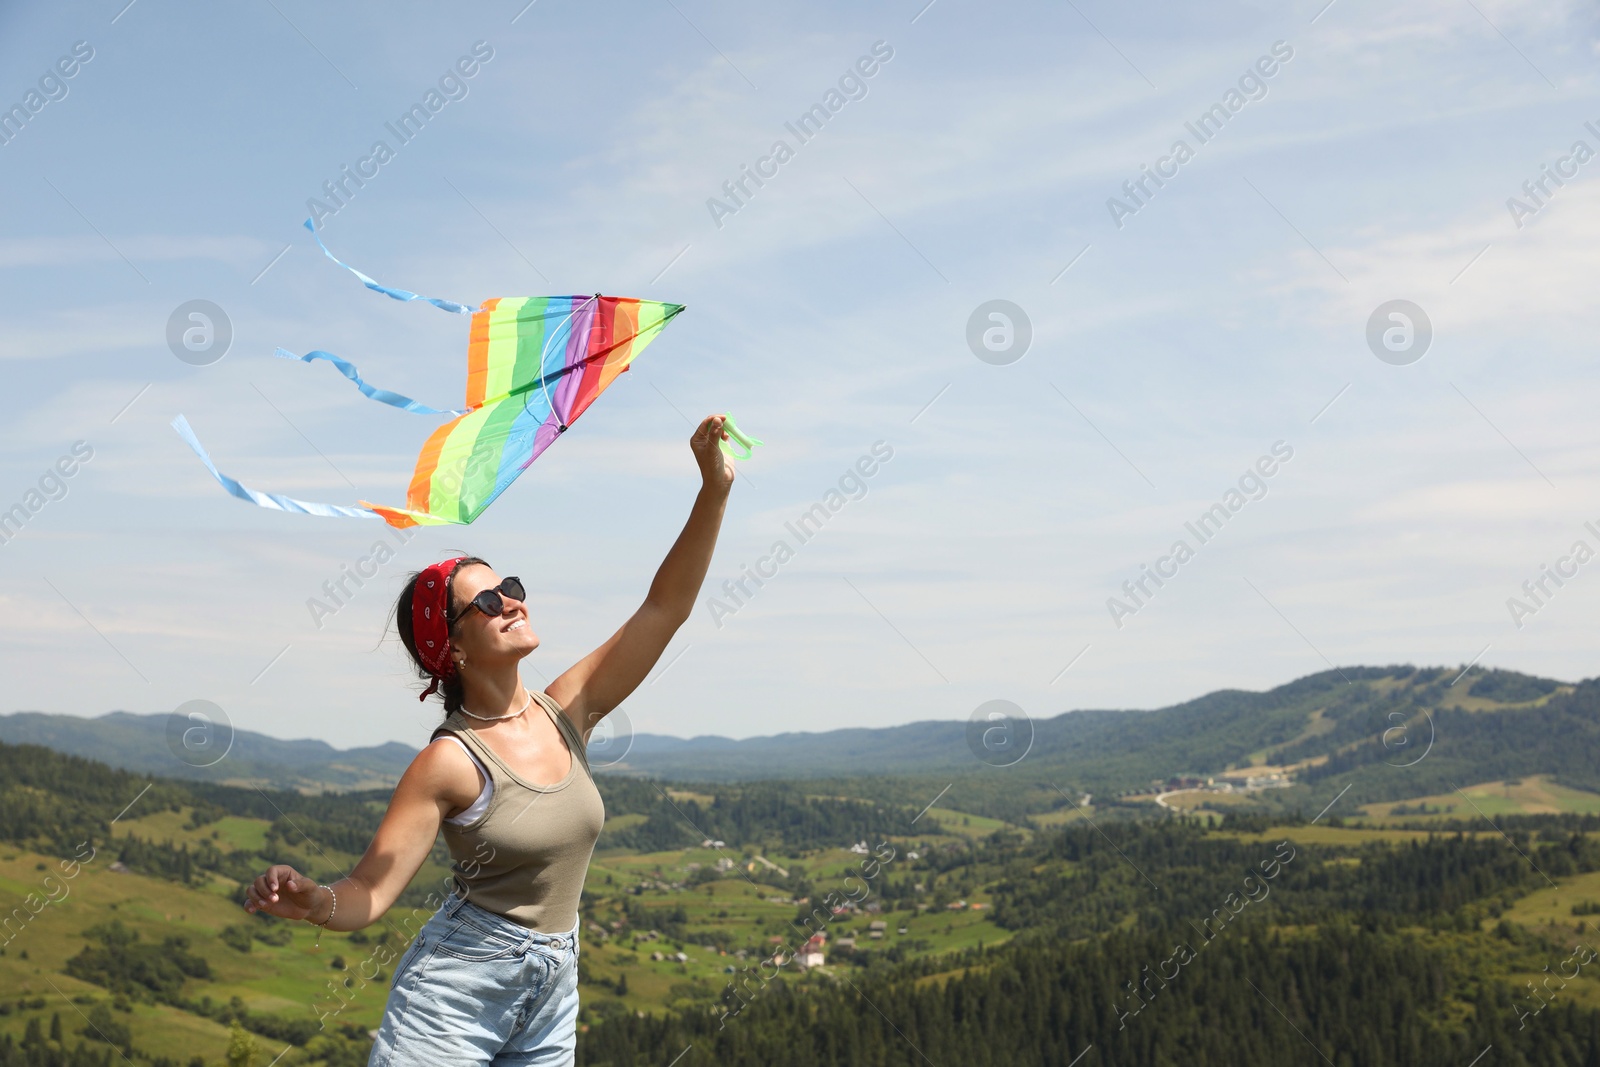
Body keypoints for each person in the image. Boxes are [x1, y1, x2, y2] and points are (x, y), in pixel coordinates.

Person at [243, 414, 736, 1065]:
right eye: (487, 602)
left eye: (510, 588)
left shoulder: (570, 708)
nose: (511, 602)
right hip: (456, 993)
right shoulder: (448, 762)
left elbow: (664, 607)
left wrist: (714, 490)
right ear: (450, 648)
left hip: (553, 992)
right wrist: (315, 901)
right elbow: (371, 890)